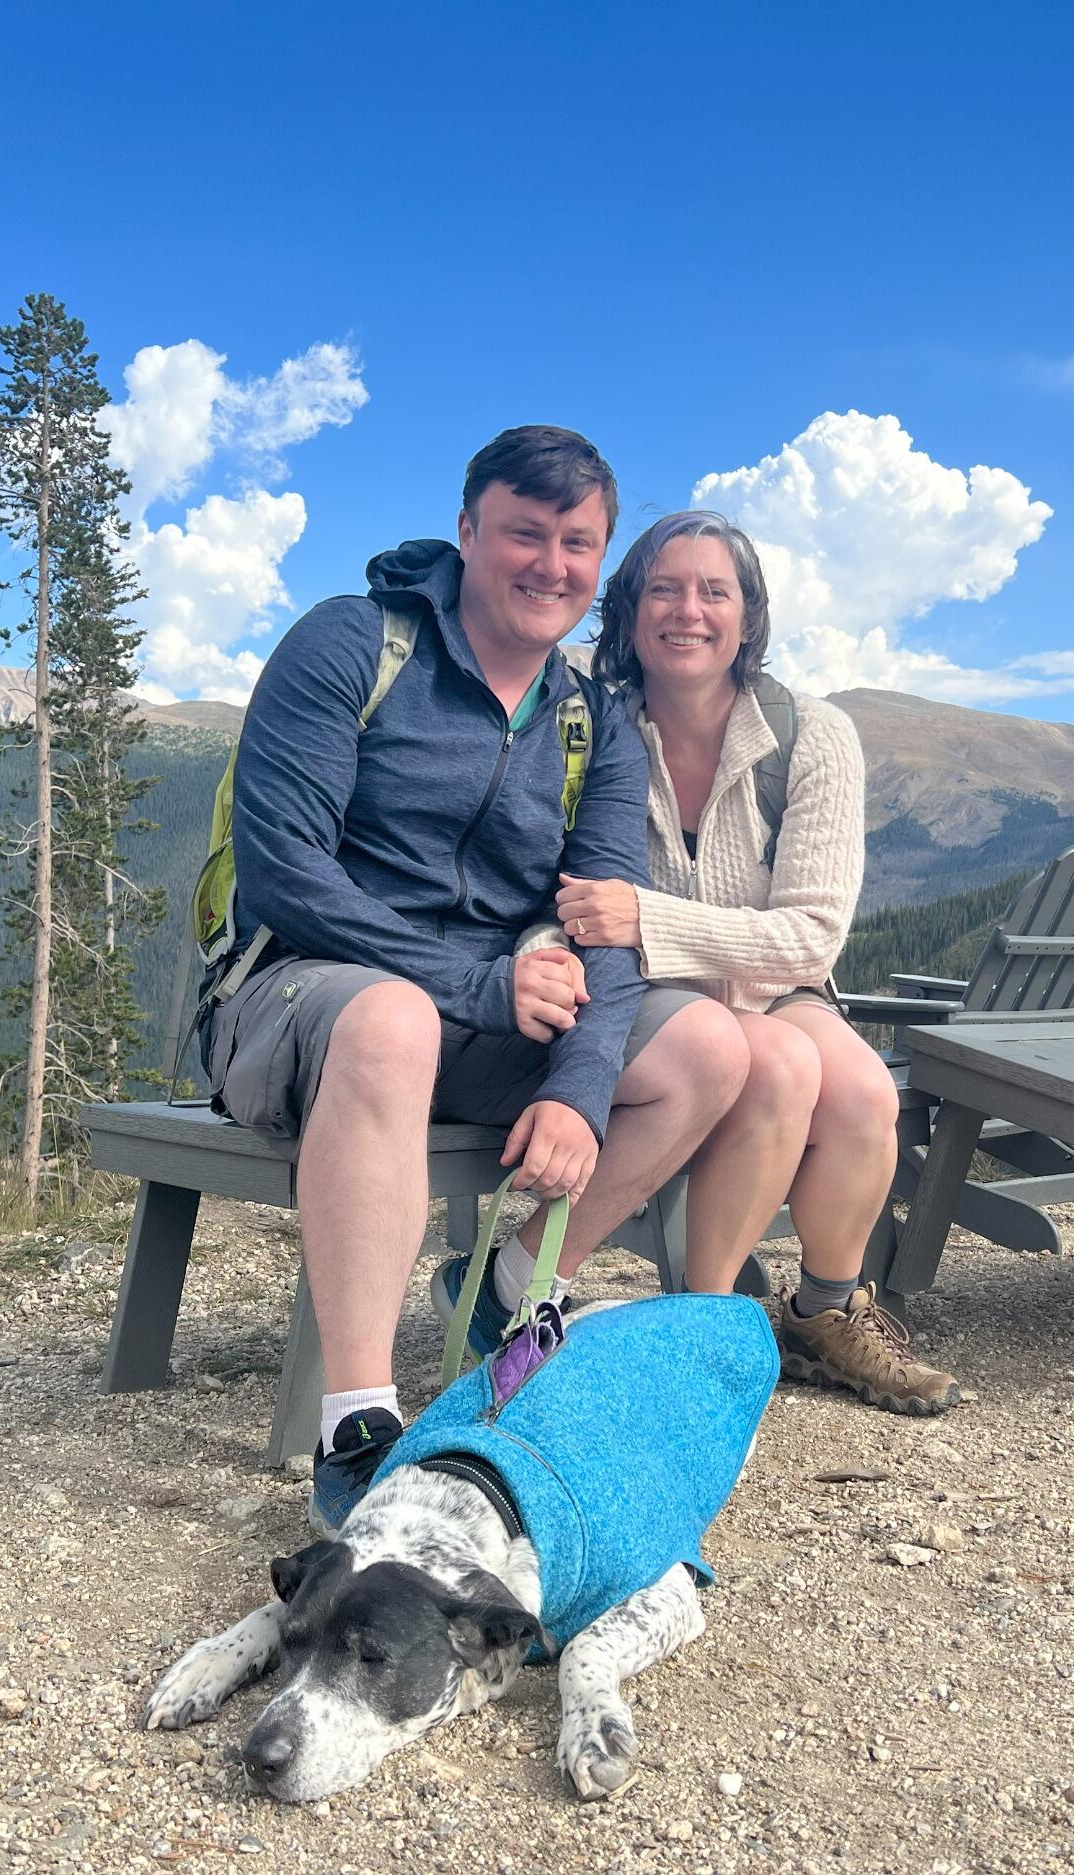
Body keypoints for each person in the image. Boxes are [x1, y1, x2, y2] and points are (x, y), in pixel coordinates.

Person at [206, 430, 751, 1532]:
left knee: (708, 1048)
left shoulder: (591, 718)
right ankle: (358, 1423)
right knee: (394, 1019)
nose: (551, 565)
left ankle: (506, 1291)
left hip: (484, 1014)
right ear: (467, 531)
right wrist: (475, 984)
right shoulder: (349, 644)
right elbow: (287, 874)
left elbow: (604, 922)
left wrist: (579, 1090)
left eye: (577, 543)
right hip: (299, 997)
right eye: (524, 534)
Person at [552, 511, 961, 1415]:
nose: (687, 611)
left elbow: (811, 936)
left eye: (714, 591)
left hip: (776, 984)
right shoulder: (589, 724)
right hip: (644, 994)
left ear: (748, 615)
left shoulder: (814, 735)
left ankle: (823, 1314)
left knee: (864, 1092)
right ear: (629, 610)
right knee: (777, 1065)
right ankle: (704, 1329)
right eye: (663, 589)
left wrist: (646, 915)